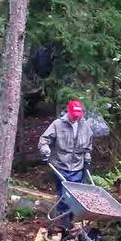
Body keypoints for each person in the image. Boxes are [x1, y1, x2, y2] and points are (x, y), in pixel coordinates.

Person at [38, 99, 94, 232]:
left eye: (78, 116)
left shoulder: (85, 126)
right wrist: (45, 150)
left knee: (75, 195)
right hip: (60, 164)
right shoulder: (58, 124)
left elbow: (88, 145)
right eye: (73, 115)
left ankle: (73, 222)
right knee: (64, 195)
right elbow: (44, 140)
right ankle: (63, 225)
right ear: (68, 111)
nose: (75, 118)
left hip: (78, 166)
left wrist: (87, 156)